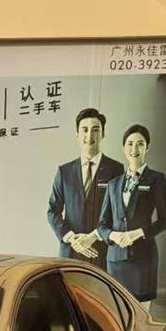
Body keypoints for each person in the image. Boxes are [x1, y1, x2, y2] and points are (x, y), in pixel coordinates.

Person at [96, 123, 166, 308]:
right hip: (115, 260)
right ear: (124, 148)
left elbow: (165, 220)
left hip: (143, 259)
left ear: (147, 147)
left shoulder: (156, 179)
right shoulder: (113, 184)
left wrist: (136, 233)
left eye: (140, 144)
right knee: (116, 311)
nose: (134, 149)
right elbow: (102, 225)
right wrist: (114, 235)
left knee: (141, 312)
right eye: (130, 144)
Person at [46, 108, 124, 266]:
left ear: (103, 134)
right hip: (71, 252)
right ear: (77, 134)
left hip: (103, 252)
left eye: (95, 130)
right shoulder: (64, 172)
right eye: (85, 130)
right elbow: (53, 211)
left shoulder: (116, 169)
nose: (89, 136)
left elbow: (118, 214)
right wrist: (71, 238)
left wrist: (94, 236)